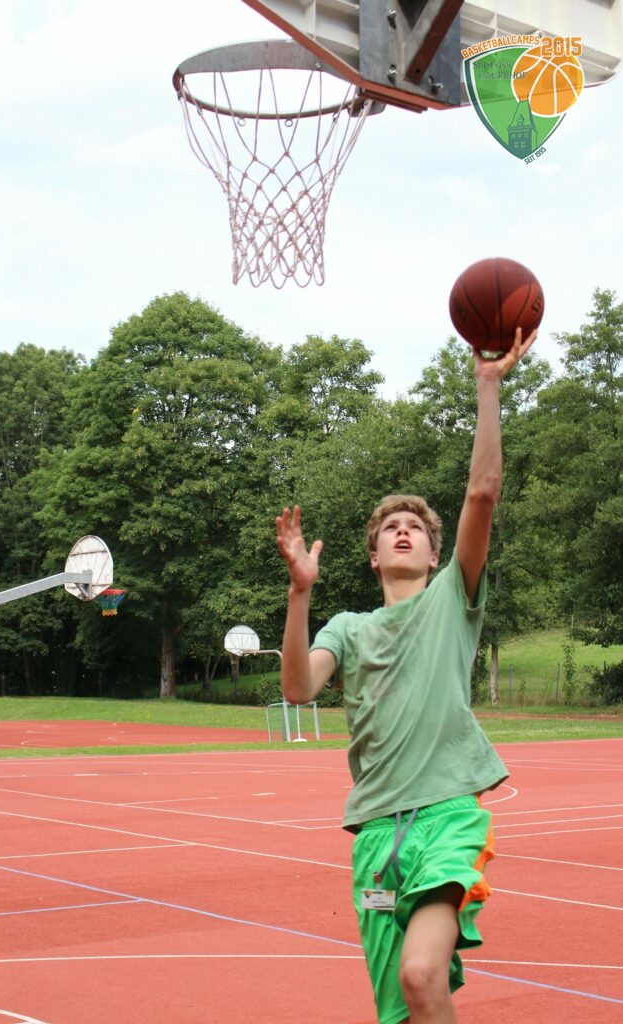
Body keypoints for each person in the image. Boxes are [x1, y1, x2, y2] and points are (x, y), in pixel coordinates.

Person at [275, 327, 537, 1024]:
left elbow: (481, 493)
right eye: (389, 527)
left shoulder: (452, 599)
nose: (401, 530)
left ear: (432, 554)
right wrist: (299, 593)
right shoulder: (347, 628)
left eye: (414, 528)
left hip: (447, 815)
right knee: (402, 1008)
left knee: (422, 975)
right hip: (374, 836)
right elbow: (297, 688)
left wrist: (488, 385)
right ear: (372, 557)